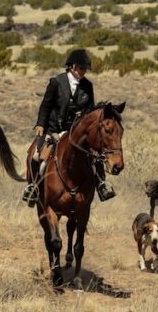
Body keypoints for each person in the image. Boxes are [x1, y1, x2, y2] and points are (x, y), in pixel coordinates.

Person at [21, 49, 100, 206]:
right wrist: (40, 124)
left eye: (85, 69)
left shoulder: (87, 86)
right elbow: (46, 105)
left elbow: (90, 111)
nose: (84, 72)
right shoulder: (56, 82)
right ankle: (33, 187)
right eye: (81, 68)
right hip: (54, 131)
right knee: (37, 156)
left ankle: (102, 185)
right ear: (72, 67)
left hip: (76, 134)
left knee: (96, 157)